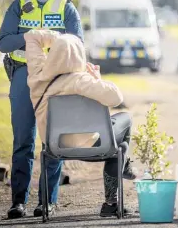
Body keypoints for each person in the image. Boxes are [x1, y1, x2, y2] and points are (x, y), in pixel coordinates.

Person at [0, 0, 84, 219]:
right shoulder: (19, 3)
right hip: (24, 75)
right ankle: (18, 202)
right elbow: (3, 42)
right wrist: (32, 37)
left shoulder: (66, 6)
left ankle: (48, 201)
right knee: (23, 140)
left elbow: (77, 44)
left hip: (56, 79)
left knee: (53, 139)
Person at [24, 29, 136, 217]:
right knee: (123, 135)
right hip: (91, 146)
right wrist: (97, 79)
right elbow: (116, 98)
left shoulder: (37, 76)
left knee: (120, 147)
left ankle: (122, 167)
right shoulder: (82, 80)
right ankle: (111, 200)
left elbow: (31, 36)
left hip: (54, 147)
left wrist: (59, 40)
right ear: (79, 55)